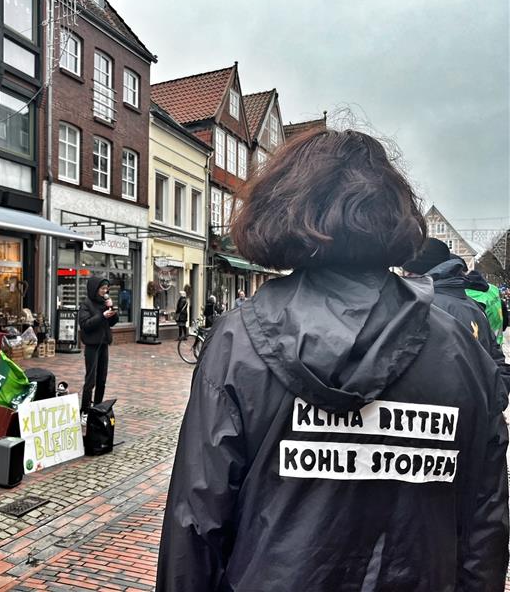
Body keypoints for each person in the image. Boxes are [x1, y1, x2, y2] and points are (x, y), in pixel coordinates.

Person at [157, 129, 508, 591]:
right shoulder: (459, 350)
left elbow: (196, 522)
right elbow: (486, 522)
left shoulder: (238, 342)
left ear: (283, 209)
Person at [403, 240, 510, 397]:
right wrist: (493, 406)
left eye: (407, 274)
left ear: (416, 274)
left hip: (450, 411)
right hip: (476, 408)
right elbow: (496, 360)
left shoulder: (423, 309)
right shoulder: (473, 304)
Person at [78, 276, 118, 423]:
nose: (105, 291)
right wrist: (101, 316)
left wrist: (111, 309)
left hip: (104, 345)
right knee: (91, 380)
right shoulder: (86, 304)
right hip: (92, 346)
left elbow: (113, 322)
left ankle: (98, 408)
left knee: (102, 379)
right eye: (102, 288)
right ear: (95, 289)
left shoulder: (104, 302)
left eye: (106, 288)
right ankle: (85, 411)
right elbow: (85, 324)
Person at [465, 268, 508, 345]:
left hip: (485, 345)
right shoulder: (493, 289)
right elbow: (503, 311)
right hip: (498, 341)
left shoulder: (470, 297)